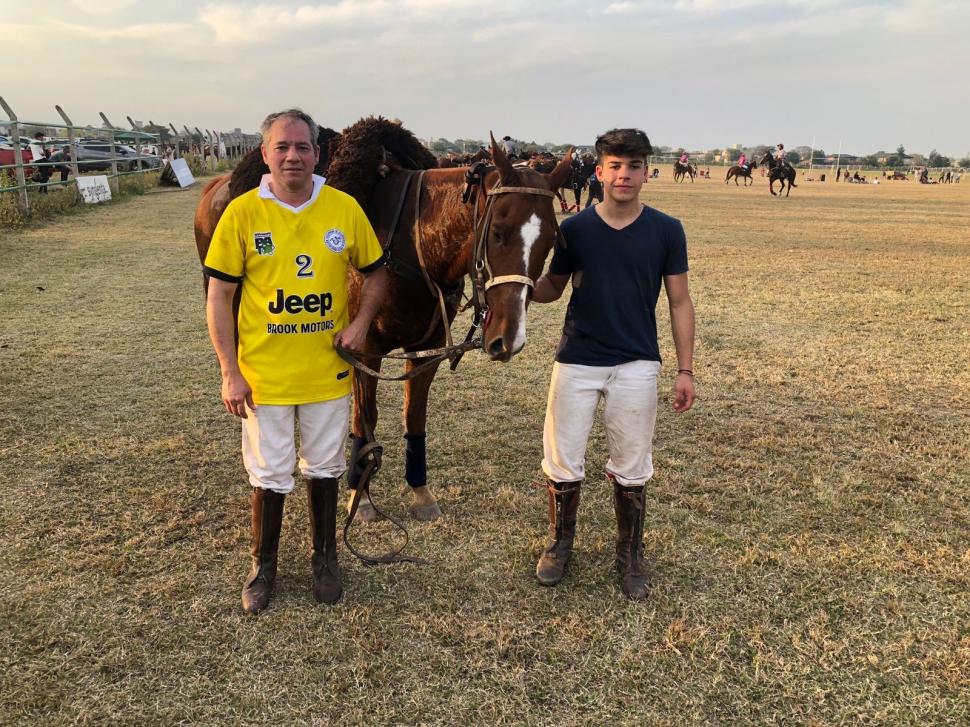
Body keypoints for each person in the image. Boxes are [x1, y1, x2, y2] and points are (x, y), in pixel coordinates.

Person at [204, 108, 388, 614]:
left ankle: (325, 559)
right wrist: (229, 371)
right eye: (282, 147)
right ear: (265, 154)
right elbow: (219, 296)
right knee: (269, 472)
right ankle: (263, 566)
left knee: (325, 467)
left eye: (302, 147)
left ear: (317, 153)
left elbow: (376, 274)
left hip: (327, 372)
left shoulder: (343, 208)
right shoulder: (242, 213)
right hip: (264, 377)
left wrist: (360, 324)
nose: (292, 156)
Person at [530, 128, 696, 600]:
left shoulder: (667, 230)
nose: (625, 175)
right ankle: (560, 543)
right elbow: (551, 288)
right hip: (578, 358)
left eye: (635, 166)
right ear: (599, 171)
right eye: (616, 166)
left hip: (637, 362)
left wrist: (685, 370)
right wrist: (513, 288)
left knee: (632, 464)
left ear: (647, 172)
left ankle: (630, 553)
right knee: (562, 459)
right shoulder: (575, 228)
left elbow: (680, 302)